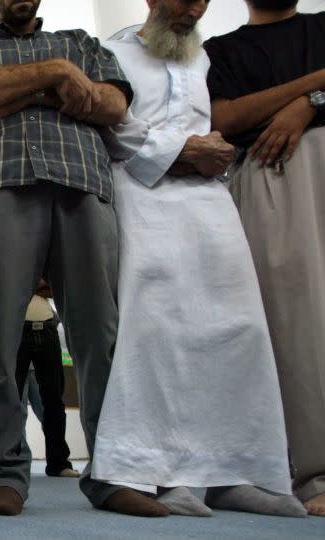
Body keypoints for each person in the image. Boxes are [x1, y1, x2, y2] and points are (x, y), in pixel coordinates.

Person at [0, 0, 165, 517]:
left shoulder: (83, 42)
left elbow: (112, 105)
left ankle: (113, 468)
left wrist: (16, 94)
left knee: (100, 331)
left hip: (81, 181)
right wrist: (57, 78)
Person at [91, 0, 306, 518]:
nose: (192, 9)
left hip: (209, 197)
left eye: (201, 0)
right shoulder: (111, 53)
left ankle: (234, 470)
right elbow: (111, 128)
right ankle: (162, 472)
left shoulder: (202, 60)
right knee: (159, 325)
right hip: (145, 195)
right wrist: (184, 149)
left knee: (239, 323)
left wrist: (204, 154)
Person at [204, 0, 325, 518]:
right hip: (274, 176)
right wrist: (317, 81)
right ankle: (312, 471)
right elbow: (225, 118)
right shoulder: (222, 50)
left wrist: (311, 102)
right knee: (297, 327)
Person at [16, 280, 78, 479]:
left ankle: (58, 462)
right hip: (16, 327)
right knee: (13, 403)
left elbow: (54, 285)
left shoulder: (44, 255)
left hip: (46, 326)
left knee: (53, 402)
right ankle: (11, 461)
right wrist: (35, 284)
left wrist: (31, 284)